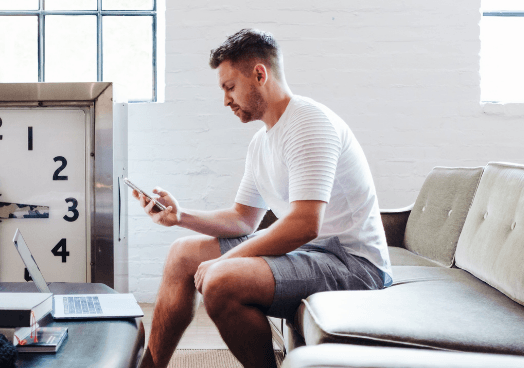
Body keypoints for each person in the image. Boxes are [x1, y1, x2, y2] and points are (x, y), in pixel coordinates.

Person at [136, 28, 392, 368]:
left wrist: (224, 262)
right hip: (312, 253)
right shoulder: (262, 141)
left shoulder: (308, 123)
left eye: (230, 87)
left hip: (353, 264)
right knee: (182, 252)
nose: (225, 100)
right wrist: (181, 215)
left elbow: (304, 225)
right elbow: (243, 218)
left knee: (221, 281)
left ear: (260, 74)